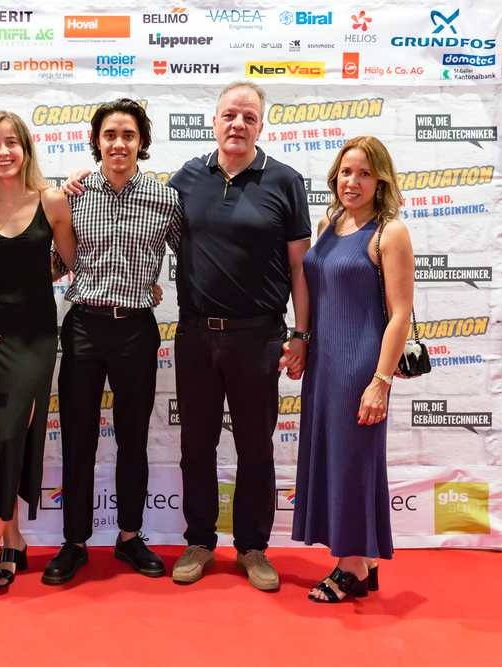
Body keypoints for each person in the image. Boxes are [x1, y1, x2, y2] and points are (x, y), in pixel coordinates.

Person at [169, 82, 310, 590]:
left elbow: (300, 268)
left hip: (259, 337)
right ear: (214, 121)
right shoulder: (185, 179)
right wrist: (82, 181)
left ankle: (252, 547)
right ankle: (199, 541)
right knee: (195, 445)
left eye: (249, 117)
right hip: (195, 335)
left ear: (261, 126)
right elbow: (133, 207)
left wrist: (301, 333)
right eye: (230, 114)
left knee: (256, 447)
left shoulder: (285, 181)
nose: (238, 124)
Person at [42, 98, 182, 586]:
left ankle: (129, 536)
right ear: (96, 141)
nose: (118, 143)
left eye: (128, 135)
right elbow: (54, 264)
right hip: (83, 325)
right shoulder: (73, 196)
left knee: (133, 439)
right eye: (109, 135)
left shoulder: (166, 199)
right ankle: (74, 541)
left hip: (137, 330)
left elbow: (194, 259)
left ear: (141, 142)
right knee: (78, 438)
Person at [0, 111, 75, 611]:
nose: (3, 152)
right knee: (0, 438)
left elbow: (71, 262)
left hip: (35, 336)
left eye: (11, 143)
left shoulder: (51, 201)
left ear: (26, 148)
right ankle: (13, 540)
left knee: (10, 432)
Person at [291, 136, 414, 602]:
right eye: (346, 172)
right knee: (334, 460)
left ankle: (352, 568)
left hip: (360, 366)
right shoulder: (330, 222)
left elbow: (400, 314)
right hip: (323, 363)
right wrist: (303, 342)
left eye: (364, 173)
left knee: (353, 463)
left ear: (380, 179)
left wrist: (380, 382)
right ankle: (364, 557)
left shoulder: (390, 232)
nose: (353, 181)